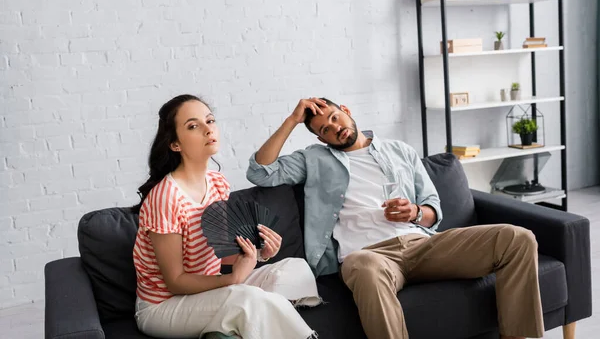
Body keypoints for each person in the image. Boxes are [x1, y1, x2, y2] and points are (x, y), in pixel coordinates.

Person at [246, 97, 544, 339]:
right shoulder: (314, 159)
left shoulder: (399, 150)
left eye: (334, 118)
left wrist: (414, 212)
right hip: (368, 256)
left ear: (346, 111)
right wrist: (292, 120)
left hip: (422, 245)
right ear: (321, 139)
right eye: (324, 129)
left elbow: (432, 209)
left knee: (517, 238)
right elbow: (260, 172)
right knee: (364, 266)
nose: (334, 128)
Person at [132, 94, 319, 339]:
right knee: (247, 298)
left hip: (211, 287)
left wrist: (260, 253)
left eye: (209, 121)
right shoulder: (165, 198)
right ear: (175, 144)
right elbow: (175, 282)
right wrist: (234, 279)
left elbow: (220, 250)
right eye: (193, 126)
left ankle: (234, 322)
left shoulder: (218, 183)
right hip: (164, 306)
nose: (208, 130)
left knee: (297, 269)